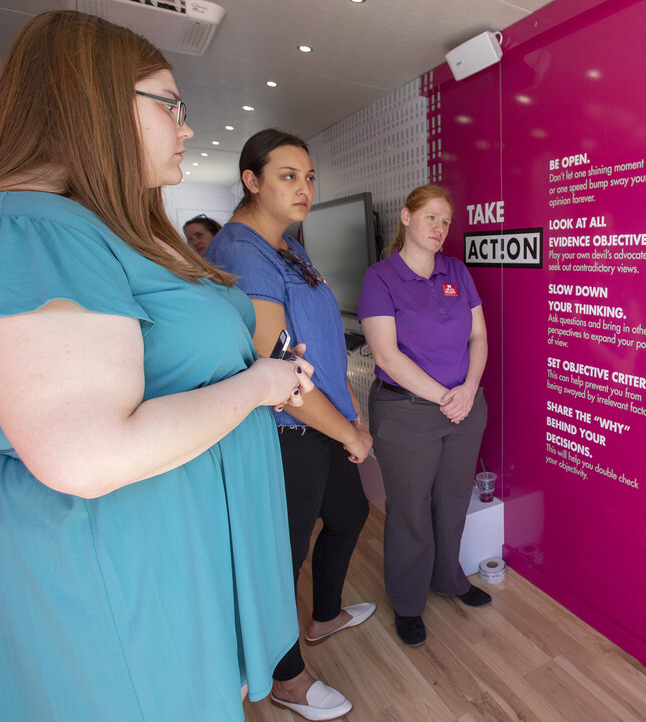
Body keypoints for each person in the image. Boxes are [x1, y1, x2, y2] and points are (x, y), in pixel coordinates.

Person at [0, 11, 319, 720]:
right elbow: (87, 455)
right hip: (112, 561)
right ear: (90, 101)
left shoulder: (100, 228)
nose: (185, 127)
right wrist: (258, 384)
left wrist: (251, 371)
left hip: (162, 544)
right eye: (171, 104)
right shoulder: (23, 229)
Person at [206, 129, 374, 721]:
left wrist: (349, 417)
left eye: (309, 177)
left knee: (350, 513)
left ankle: (324, 616)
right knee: (282, 556)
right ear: (251, 181)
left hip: (323, 421)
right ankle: (285, 679)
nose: (304, 188)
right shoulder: (240, 252)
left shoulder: (289, 246)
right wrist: (350, 431)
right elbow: (281, 374)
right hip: (284, 432)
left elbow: (319, 344)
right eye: (287, 176)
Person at [358, 184, 490, 647]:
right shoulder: (381, 277)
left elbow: (479, 338)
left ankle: (449, 579)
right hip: (406, 413)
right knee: (410, 510)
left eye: (446, 221)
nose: (439, 228)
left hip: (464, 407)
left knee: (453, 500)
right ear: (406, 217)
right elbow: (387, 356)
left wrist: (469, 390)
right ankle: (409, 602)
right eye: (431, 217)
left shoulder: (456, 270)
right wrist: (446, 397)